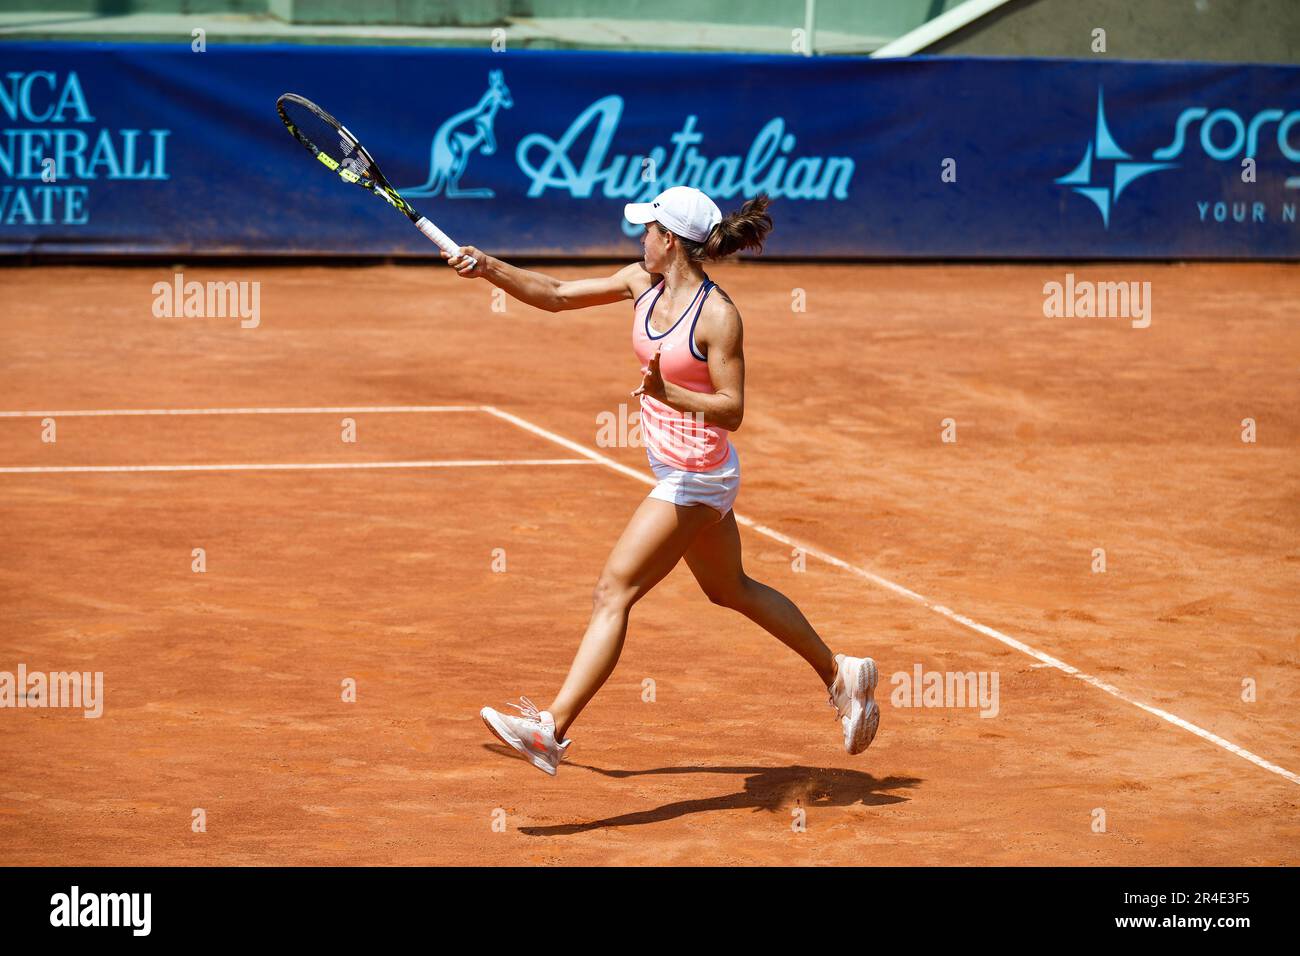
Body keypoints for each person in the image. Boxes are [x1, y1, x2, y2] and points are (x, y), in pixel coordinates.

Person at [442, 186, 878, 775]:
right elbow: (556, 294)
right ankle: (841, 673)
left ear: (668, 239)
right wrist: (487, 266)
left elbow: (733, 409)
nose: (640, 237)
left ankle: (551, 729)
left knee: (612, 591)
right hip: (681, 471)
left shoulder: (718, 316)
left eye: (647, 229)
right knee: (732, 590)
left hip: (697, 478)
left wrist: (668, 394)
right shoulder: (638, 282)